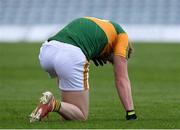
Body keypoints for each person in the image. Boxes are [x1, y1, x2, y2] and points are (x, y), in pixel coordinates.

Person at [29, 17, 137, 122]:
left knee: (69, 98)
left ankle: (65, 110)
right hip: (70, 55)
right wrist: (130, 112)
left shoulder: (101, 25)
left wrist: (95, 53)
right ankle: (52, 104)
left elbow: (83, 36)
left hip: (47, 50)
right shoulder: (122, 36)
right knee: (81, 114)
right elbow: (121, 79)